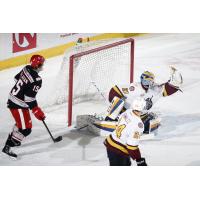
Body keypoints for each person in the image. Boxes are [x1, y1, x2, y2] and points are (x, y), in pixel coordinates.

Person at [104, 66, 183, 133]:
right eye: (146, 79)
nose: (147, 82)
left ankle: (139, 124)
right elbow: (115, 90)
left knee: (146, 127)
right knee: (118, 101)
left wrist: (175, 81)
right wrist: (116, 109)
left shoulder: (155, 89)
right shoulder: (133, 88)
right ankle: (109, 120)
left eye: (150, 79)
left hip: (141, 116)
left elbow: (169, 89)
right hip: (125, 113)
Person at [2, 54, 46, 158]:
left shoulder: (26, 68)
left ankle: (14, 138)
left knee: (24, 126)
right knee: (26, 129)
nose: (43, 65)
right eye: (41, 64)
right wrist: (36, 110)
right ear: (38, 65)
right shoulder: (37, 80)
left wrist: (22, 89)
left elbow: (16, 78)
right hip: (17, 104)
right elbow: (29, 98)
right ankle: (9, 145)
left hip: (16, 100)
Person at [104, 97, 147, 166]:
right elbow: (132, 146)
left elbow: (118, 123)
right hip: (118, 150)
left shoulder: (128, 111)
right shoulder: (138, 125)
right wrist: (139, 159)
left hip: (110, 142)